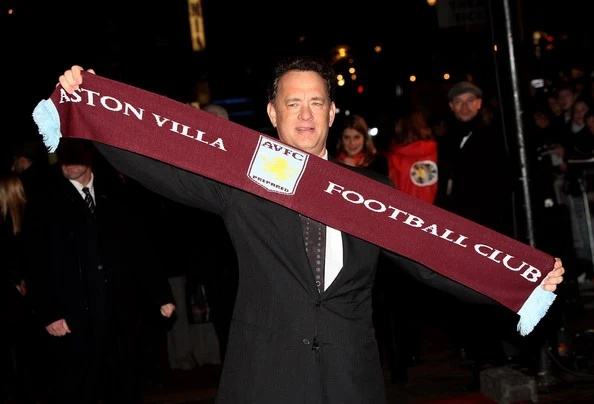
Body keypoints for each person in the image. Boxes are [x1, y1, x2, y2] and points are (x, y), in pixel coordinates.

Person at [56, 56, 565, 404]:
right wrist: (90, 105)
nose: (305, 114)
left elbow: (431, 254)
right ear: (273, 113)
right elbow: (162, 160)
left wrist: (520, 277)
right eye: (293, 103)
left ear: (333, 111)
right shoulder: (243, 176)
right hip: (265, 377)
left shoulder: (368, 189)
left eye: (317, 102)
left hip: (350, 378)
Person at [25, 138, 176, 404]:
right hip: (73, 316)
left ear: (89, 156)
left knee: (125, 384)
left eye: (73, 157)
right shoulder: (46, 202)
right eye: (63, 158)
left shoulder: (116, 193)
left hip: (118, 312)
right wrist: (49, 313)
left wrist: (161, 295)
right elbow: (37, 263)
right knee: (80, 387)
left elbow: (140, 249)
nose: (67, 164)